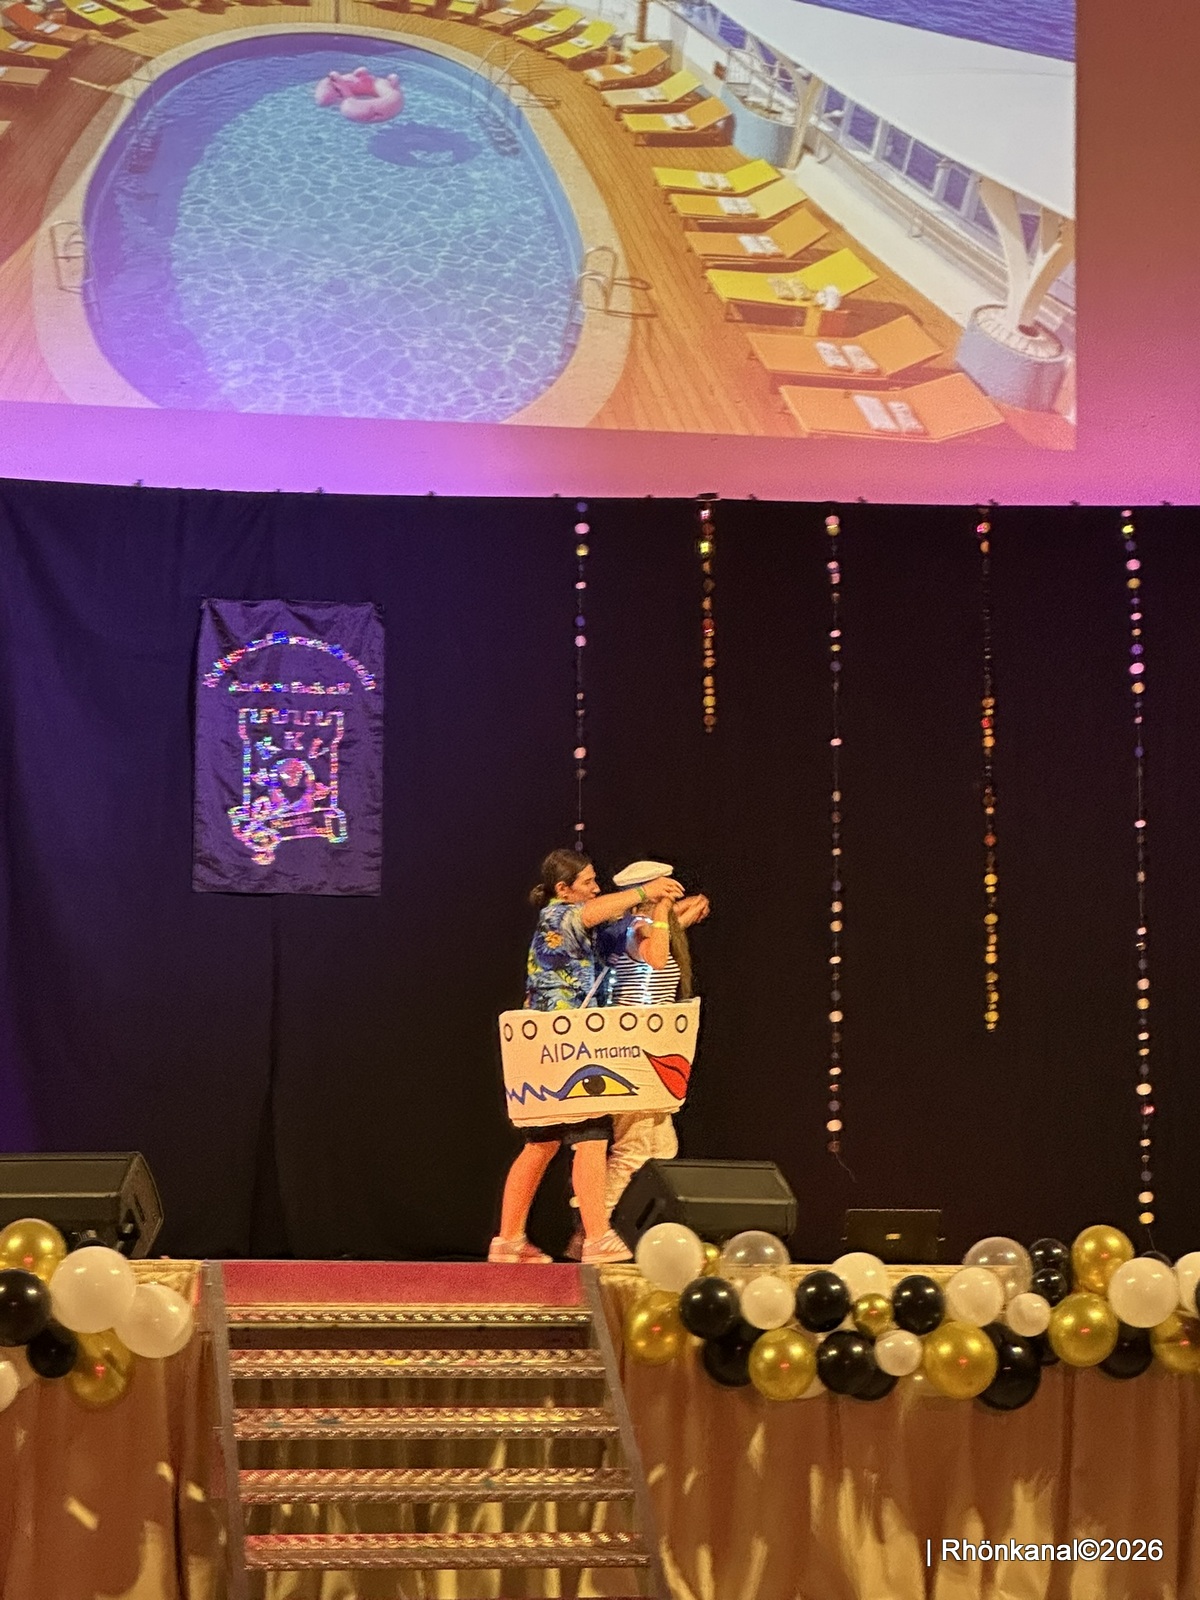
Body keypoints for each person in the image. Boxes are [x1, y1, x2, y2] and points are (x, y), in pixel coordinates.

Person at [489, 848, 683, 1266]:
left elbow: (651, 954)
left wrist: (662, 911)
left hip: (563, 1045)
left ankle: (508, 1240)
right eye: (588, 882)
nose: (596, 889)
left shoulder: (595, 929)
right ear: (563, 889)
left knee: (542, 1144)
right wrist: (644, 891)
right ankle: (596, 1237)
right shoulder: (556, 917)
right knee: (591, 1139)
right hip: (563, 1045)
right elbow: (593, 912)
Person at [604, 860, 710, 1216]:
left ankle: (636, 1224)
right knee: (632, 1148)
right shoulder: (632, 929)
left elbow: (672, 927)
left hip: (655, 1052)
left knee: (662, 1147)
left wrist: (680, 909)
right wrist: (664, 909)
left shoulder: (651, 925)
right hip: (631, 1051)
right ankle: (594, 1229)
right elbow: (658, 958)